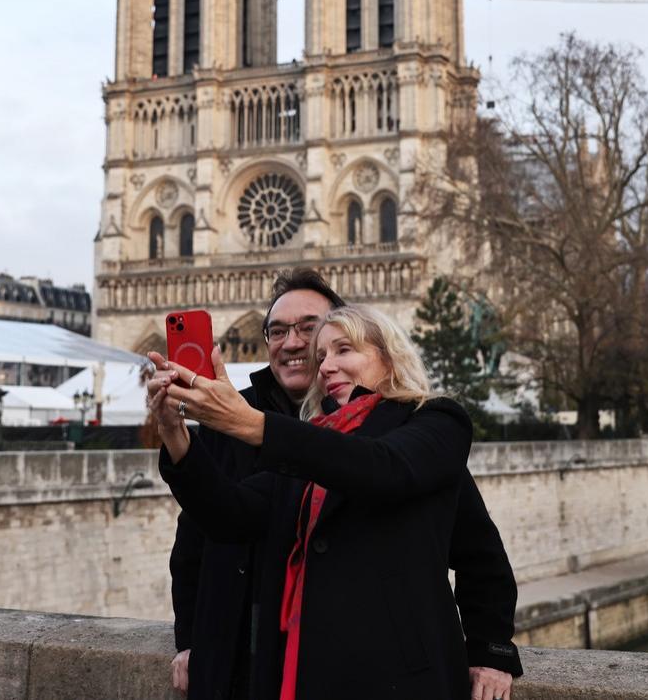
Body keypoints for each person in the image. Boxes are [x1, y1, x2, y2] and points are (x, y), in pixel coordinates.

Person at [162, 269, 520, 700]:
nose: (324, 364)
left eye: (342, 349)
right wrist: (175, 436)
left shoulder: (434, 422)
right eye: (322, 355)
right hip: (294, 671)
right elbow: (225, 517)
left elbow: (384, 469)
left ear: (387, 358)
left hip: (399, 679)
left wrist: (492, 650)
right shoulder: (305, 445)